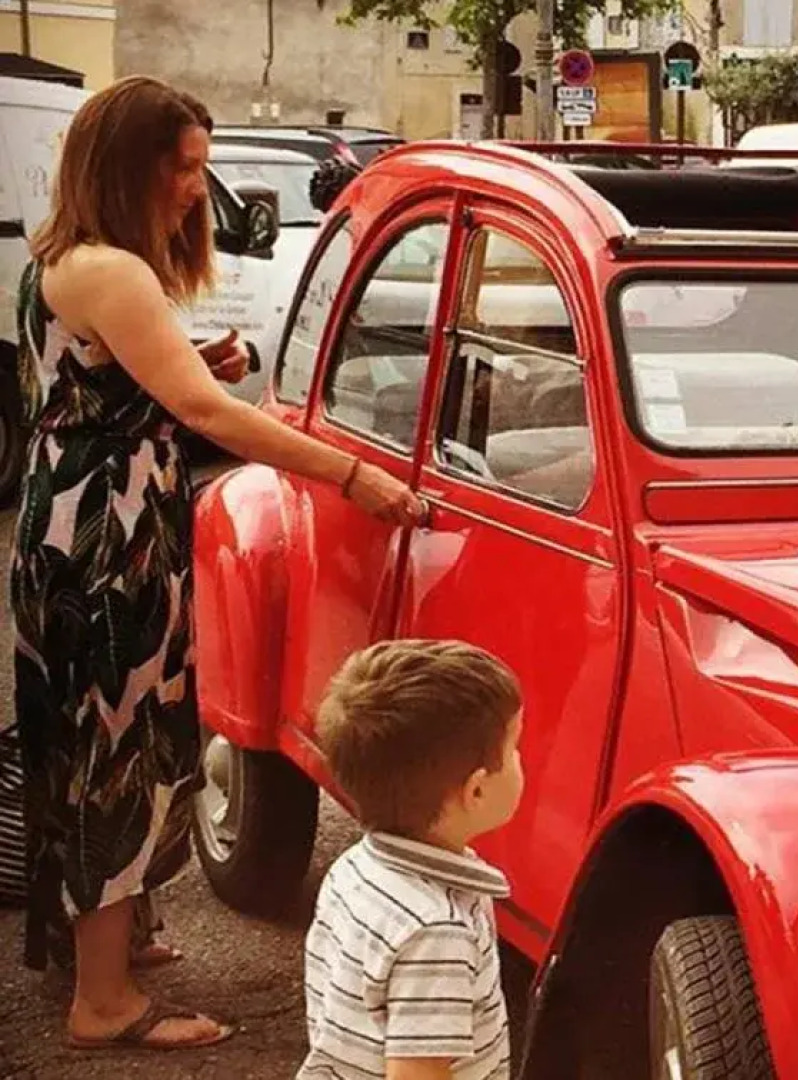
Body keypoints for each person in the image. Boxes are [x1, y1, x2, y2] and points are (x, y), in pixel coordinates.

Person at [13, 75, 424, 1050]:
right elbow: (202, 415)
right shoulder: (113, 268)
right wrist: (351, 474)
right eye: (186, 168)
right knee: (110, 751)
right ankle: (101, 1003)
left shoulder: (63, 257)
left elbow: (122, 382)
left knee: (87, 741)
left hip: (79, 518)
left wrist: (195, 356)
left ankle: (104, 947)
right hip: (105, 538)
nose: (199, 188)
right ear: (129, 167)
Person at [301, 639, 524, 1080]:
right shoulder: (437, 930)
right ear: (475, 790)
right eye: (515, 747)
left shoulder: (356, 868)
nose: (520, 759)